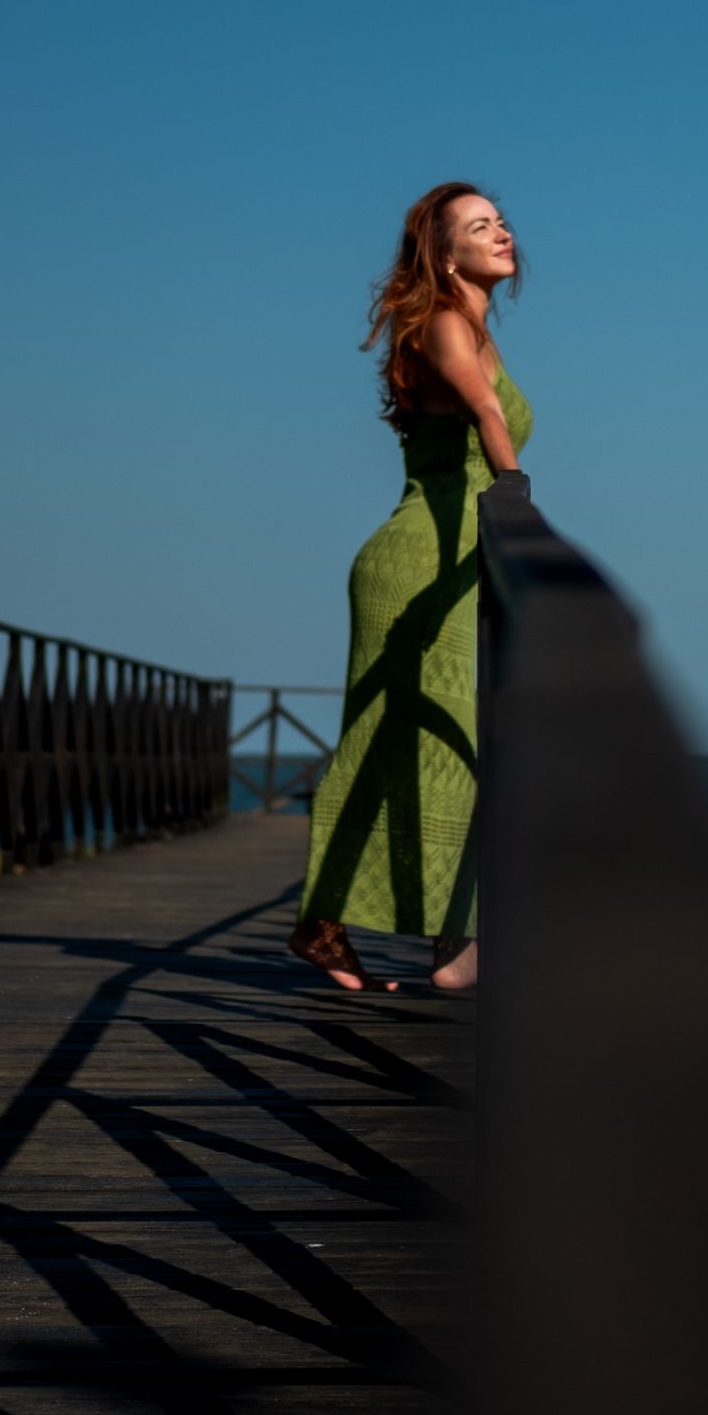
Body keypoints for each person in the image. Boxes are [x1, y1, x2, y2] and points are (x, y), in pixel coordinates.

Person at [288, 182, 532, 993]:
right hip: (418, 562)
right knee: (408, 740)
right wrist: (517, 495)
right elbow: (485, 413)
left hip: (461, 559)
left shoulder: (477, 328)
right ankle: (404, 935)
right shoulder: (443, 324)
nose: (501, 232)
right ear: (445, 255)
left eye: (501, 221)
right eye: (478, 226)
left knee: (448, 741)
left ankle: (435, 937)